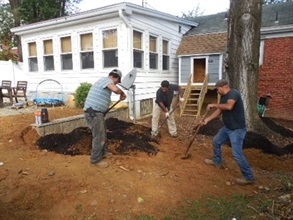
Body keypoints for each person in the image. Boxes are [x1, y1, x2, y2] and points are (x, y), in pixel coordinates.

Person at [201, 79, 254, 185]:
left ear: (224, 87)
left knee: (237, 154)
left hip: (237, 130)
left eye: (217, 89)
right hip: (227, 128)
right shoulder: (224, 97)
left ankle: (249, 177)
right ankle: (217, 161)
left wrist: (214, 104)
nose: (217, 91)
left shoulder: (233, 93)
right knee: (216, 141)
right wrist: (207, 119)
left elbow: (229, 107)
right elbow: (219, 111)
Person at [84, 69, 126, 168]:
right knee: (99, 135)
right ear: (115, 78)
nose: (117, 84)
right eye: (118, 82)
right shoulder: (107, 81)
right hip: (93, 112)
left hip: (94, 111)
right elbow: (115, 90)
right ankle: (95, 159)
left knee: (102, 133)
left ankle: (103, 152)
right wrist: (121, 92)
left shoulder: (103, 81)